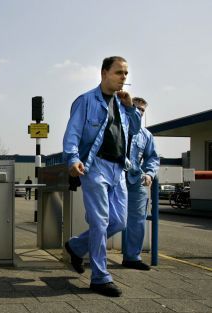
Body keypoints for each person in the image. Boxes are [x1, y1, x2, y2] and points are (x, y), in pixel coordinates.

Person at [62, 56, 141, 297]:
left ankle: (76, 246)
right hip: (95, 166)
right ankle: (100, 277)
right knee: (100, 222)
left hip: (118, 169)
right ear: (104, 73)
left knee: (119, 221)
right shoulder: (86, 100)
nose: (123, 78)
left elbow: (135, 131)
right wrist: (73, 159)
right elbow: (72, 134)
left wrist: (130, 108)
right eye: (119, 72)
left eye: (126, 73)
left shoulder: (122, 104)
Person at [123, 97, 159, 270]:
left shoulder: (146, 135)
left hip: (136, 179)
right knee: (107, 218)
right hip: (115, 177)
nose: (138, 112)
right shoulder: (116, 127)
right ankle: (88, 251)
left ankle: (132, 257)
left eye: (142, 110)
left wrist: (150, 173)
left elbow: (153, 157)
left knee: (138, 219)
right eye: (135, 108)